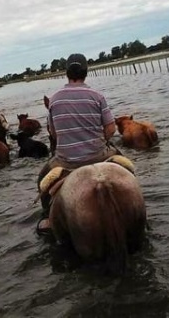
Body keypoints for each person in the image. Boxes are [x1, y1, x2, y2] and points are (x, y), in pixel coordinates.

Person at [36, 53, 120, 236]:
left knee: (41, 180)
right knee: (126, 166)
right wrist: (101, 141)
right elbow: (111, 128)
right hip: (99, 155)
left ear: (67, 73)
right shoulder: (97, 96)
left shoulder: (55, 100)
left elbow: (54, 134)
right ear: (86, 72)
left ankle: (48, 218)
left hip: (66, 161)